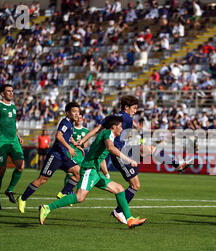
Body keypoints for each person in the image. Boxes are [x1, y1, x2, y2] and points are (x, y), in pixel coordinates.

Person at [78, 95, 192, 224]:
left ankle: (177, 164)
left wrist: (83, 140)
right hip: (119, 154)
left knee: (150, 149)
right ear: (126, 107)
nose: (135, 110)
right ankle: (119, 211)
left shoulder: (113, 117)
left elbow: (97, 129)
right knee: (135, 185)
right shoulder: (126, 118)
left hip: (124, 149)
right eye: (134, 108)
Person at [38, 115, 146, 229]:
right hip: (89, 169)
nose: (122, 129)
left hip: (94, 170)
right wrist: (128, 160)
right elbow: (110, 148)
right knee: (79, 197)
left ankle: (130, 219)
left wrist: (105, 173)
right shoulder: (108, 133)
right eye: (120, 127)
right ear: (114, 127)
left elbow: (101, 155)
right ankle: (47, 208)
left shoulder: (107, 134)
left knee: (119, 189)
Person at [17, 102, 84, 214]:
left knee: (78, 173)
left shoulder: (70, 124)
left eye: (78, 111)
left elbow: (68, 137)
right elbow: (58, 136)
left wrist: (75, 144)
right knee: (42, 180)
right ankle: (22, 198)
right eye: (74, 111)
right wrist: (69, 148)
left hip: (64, 156)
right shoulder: (65, 122)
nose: (77, 114)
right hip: (56, 156)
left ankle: (64, 192)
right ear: (67, 113)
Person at [0, 84, 24, 210]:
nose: (11, 93)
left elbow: (13, 123)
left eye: (12, 91)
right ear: (2, 93)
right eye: (8, 91)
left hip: (14, 141)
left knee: (21, 165)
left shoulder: (13, 107)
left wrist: (18, 136)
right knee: (1, 170)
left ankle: (10, 189)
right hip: (1, 141)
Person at [61, 113, 89, 196]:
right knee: (70, 173)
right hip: (71, 152)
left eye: (81, 117)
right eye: (78, 118)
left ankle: (70, 191)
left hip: (80, 155)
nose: (79, 119)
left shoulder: (86, 131)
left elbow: (86, 144)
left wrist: (82, 142)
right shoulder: (71, 128)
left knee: (79, 174)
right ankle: (68, 192)